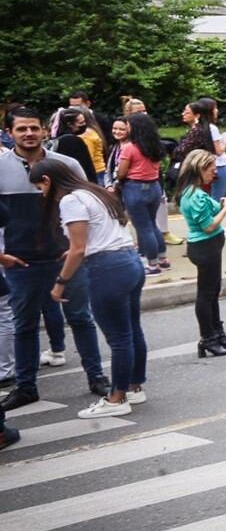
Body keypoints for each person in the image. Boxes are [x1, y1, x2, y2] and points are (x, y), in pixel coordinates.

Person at [0, 107, 109, 411]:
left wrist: (82, 246)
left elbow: (91, 204)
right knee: (24, 324)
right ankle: (25, 386)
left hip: (66, 257)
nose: (29, 134)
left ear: (44, 130)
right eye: (21, 129)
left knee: (81, 318)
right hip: (21, 262)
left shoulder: (67, 164)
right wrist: (1, 256)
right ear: (10, 133)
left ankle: (96, 376)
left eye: (33, 128)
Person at [29, 158, 146, 418]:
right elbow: (91, 238)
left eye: (40, 187)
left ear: (47, 180)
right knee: (132, 329)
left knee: (118, 338)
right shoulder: (95, 192)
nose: (42, 193)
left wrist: (60, 284)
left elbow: (80, 248)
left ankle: (117, 398)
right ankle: (135, 387)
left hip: (107, 268)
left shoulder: (70, 200)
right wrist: (73, 252)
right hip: (129, 260)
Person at [176, 150, 226, 357]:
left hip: (209, 247)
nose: (214, 174)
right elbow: (209, 226)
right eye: (211, 170)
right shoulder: (195, 196)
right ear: (199, 169)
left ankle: (218, 333)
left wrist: (222, 203)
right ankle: (208, 338)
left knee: (213, 292)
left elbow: (211, 210)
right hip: (205, 247)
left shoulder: (195, 192)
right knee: (206, 294)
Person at [114, 112, 168, 275]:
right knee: (152, 224)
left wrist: (116, 176)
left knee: (143, 227)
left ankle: (152, 265)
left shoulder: (130, 147)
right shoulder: (155, 145)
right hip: (154, 187)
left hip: (135, 188)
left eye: (128, 125)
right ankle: (163, 258)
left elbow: (122, 172)